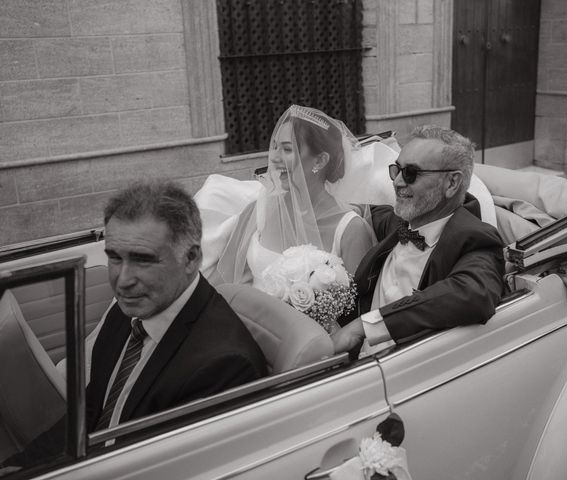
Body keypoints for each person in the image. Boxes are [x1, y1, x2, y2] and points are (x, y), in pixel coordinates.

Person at [4, 181, 267, 470]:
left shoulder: (225, 366)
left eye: (143, 260)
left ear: (191, 258)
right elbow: (93, 407)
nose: (123, 280)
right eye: (115, 257)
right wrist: (25, 466)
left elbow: (166, 471)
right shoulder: (129, 311)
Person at [332, 125, 505, 355]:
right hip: (349, 363)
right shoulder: (398, 221)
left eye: (411, 173)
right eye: (397, 170)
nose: (397, 182)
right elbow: (352, 211)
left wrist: (364, 326)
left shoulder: (476, 239)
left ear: (451, 183)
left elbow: (473, 294)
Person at [212, 105, 375, 286]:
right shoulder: (258, 211)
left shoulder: (351, 230)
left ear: (320, 160)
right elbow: (224, 284)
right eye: (275, 147)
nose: (274, 157)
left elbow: (359, 305)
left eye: (287, 149)